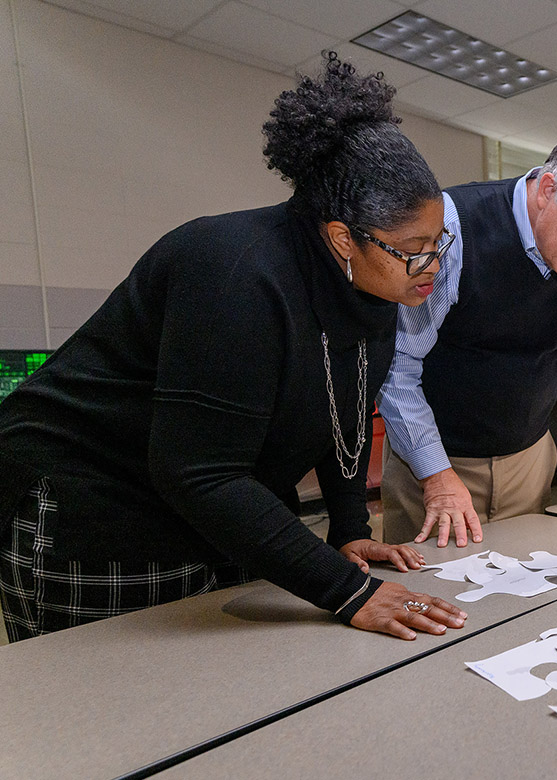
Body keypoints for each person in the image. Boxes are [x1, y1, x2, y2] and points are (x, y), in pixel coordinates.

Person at [0, 53, 465, 643]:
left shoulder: (376, 286)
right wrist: (348, 592)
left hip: (213, 510)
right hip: (95, 508)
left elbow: (344, 413)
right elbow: (198, 471)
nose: (433, 265)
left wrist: (348, 527)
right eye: (414, 248)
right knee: (115, 713)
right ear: (343, 238)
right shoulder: (233, 271)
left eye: (438, 241)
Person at [379, 116, 557, 547]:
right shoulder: (454, 226)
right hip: (434, 459)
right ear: (548, 190)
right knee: (431, 597)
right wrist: (434, 472)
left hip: (530, 460)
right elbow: (398, 363)